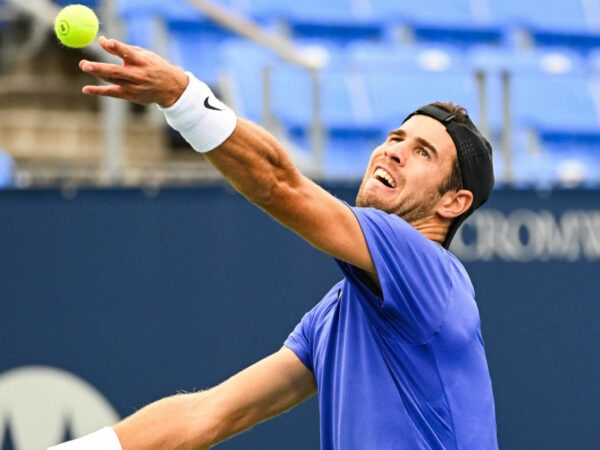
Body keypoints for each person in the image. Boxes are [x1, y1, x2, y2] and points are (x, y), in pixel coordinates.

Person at [50, 36, 497, 450]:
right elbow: (208, 414)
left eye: (423, 152)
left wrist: (182, 96)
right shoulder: (335, 316)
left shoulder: (428, 268)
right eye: (395, 137)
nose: (392, 150)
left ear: (454, 203)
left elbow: (279, 184)